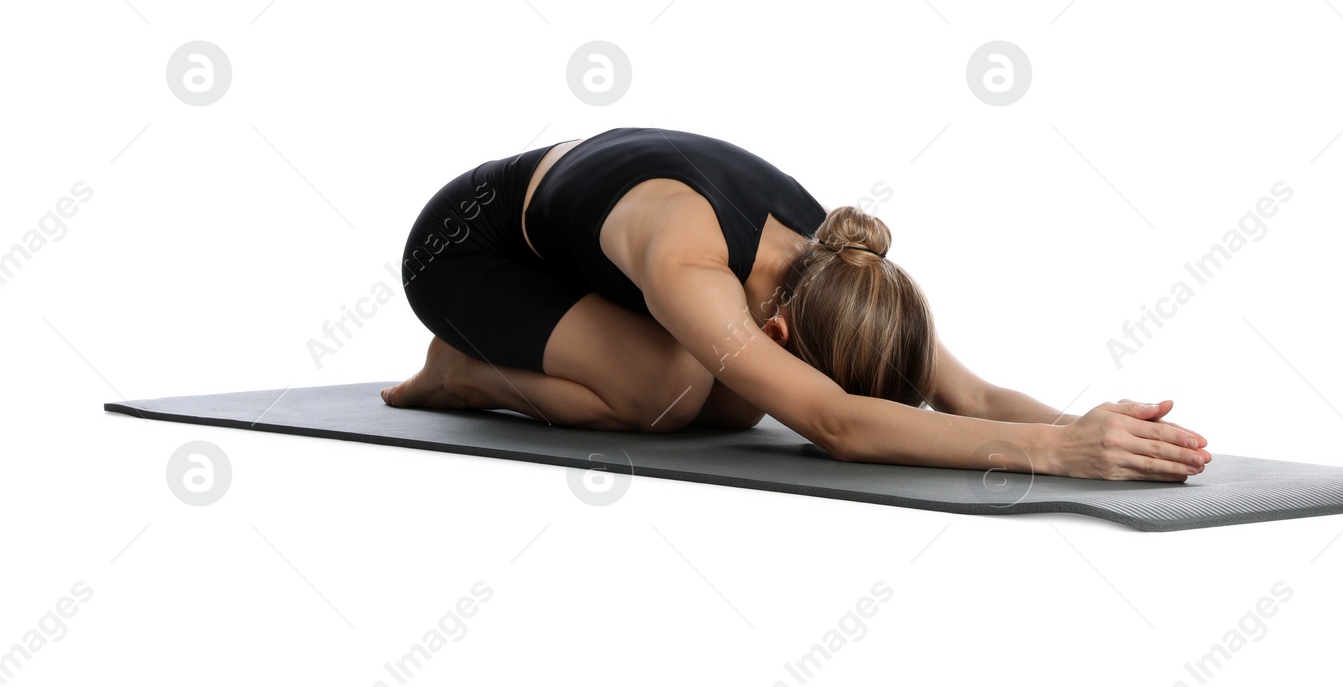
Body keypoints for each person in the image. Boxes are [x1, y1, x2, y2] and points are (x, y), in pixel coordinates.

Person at [381, 126, 1210, 481]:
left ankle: (529, 354)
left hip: (579, 242)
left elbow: (973, 398)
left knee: (736, 406)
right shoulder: (689, 261)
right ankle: (464, 372)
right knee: (667, 394)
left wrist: (1088, 430)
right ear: (775, 330)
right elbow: (839, 424)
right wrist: (1054, 459)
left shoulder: (843, 267)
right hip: (466, 251)